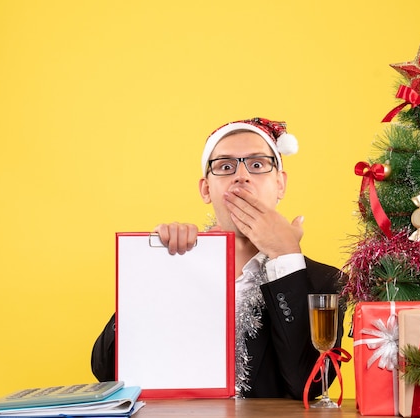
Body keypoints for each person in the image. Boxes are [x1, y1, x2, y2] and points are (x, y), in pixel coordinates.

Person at [91, 117, 345, 399]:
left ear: (280, 184)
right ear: (206, 189)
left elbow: (307, 386)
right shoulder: (177, 265)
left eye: (257, 165)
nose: (241, 176)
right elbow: (105, 371)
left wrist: (285, 257)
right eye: (225, 166)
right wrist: (156, 269)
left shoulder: (326, 282)